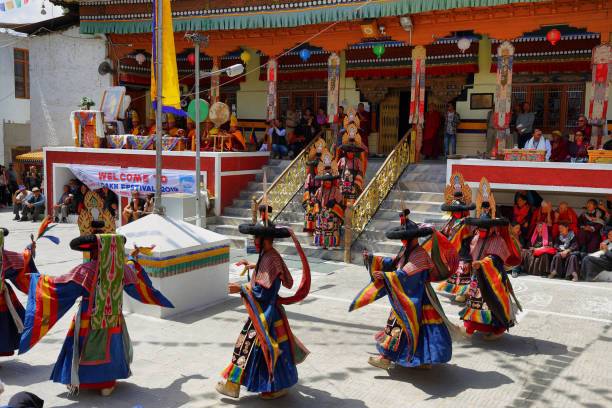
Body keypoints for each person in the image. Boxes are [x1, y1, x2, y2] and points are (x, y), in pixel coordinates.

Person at [18, 225, 174, 396]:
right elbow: (133, 280)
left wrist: (37, 279)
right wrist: (131, 258)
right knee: (111, 348)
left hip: (88, 318)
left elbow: (61, 285)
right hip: (114, 320)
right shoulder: (123, 268)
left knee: (84, 347)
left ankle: (82, 380)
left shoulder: (86, 270)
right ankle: (107, 384)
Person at [216, 206, 310, 400]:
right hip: (267, 312)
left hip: (265, 314)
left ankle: (261, 387)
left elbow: (263, 293)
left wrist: (241, 289)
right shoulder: (270, 256)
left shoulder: (270, 259)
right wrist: (252, 265)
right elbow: (271, 276)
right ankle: (250, 386)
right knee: (252, 348)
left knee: (251, 347)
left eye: (256, 237)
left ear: (265, 240)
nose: (254, 240)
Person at [352, 210, 457, 371]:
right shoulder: (406, 251)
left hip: (417, 297)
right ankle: (419, 360)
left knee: (402, 326)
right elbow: (393, 262)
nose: (404, 240)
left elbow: (405, 274)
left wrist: (386, 276)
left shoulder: (420, 255)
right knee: (412, 329)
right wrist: (372, 258)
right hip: (408, 295)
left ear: (415, 237)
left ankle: (387, 359)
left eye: (406, 238)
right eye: (403, 238)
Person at [460, 178, 522, 340]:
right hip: (476, 277)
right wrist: (470, 264)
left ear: (490, 229)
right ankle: (469, 329)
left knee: (493, 304)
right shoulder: (476, 238)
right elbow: (471, 252)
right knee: (473, 303)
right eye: (479, 228)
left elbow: (495, 259)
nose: (480, 231)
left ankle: (497, 330)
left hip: (493, 278)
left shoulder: (499, 241)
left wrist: (482, 263)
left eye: (483, 229)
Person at [436, 174, 476, 303]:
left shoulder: (467, 222)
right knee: (455, 273)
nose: (455, 212)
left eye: (457, 210)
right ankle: (457, 291)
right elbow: (444, 233)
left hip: (465, 253)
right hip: (454, 253)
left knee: (463, 273)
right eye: (454, 210)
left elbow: (471, 237)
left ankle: (464, 293)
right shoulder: (451, 221)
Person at [0, 228, 37, 361]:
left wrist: (29, 248)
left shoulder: (4, 256)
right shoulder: (4, 256)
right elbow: (23, 261)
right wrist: (29, 249)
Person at [313, 155, 344, 249]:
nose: (327, 182)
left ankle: (331, 244)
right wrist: (318, 211)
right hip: (322, 212)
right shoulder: (319, 190)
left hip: (332, 213)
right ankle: (322, 243)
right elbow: (316, 201)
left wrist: (332, 211)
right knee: (321, 229)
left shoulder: (336, 190)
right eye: (325, 181)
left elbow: (339, 203)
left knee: (331, 229)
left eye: (329, 181)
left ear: (331, 181)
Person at [302, 142, 325, 234]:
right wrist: (308, 198)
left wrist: (319, 196)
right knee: (309, 209)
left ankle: (319, 230)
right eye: (314, 167)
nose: (315, 169)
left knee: (319, 211)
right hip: (312, 196)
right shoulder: (310, 176)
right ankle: (310, 230)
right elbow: (307, 187)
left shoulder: (323, 175)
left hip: (320, 195)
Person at [337, 131, 364, 207]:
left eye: (351, 152)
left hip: (353, 185)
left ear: (354, 153)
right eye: (348, 152)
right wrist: (339, 183)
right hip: (342, 185)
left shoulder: (357, 161)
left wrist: (355, 184)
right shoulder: (341, 160)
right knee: (342, 202)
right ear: (346, 152)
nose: (350, 153)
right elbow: (336, 172)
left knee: (352, 203)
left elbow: (360, 173)